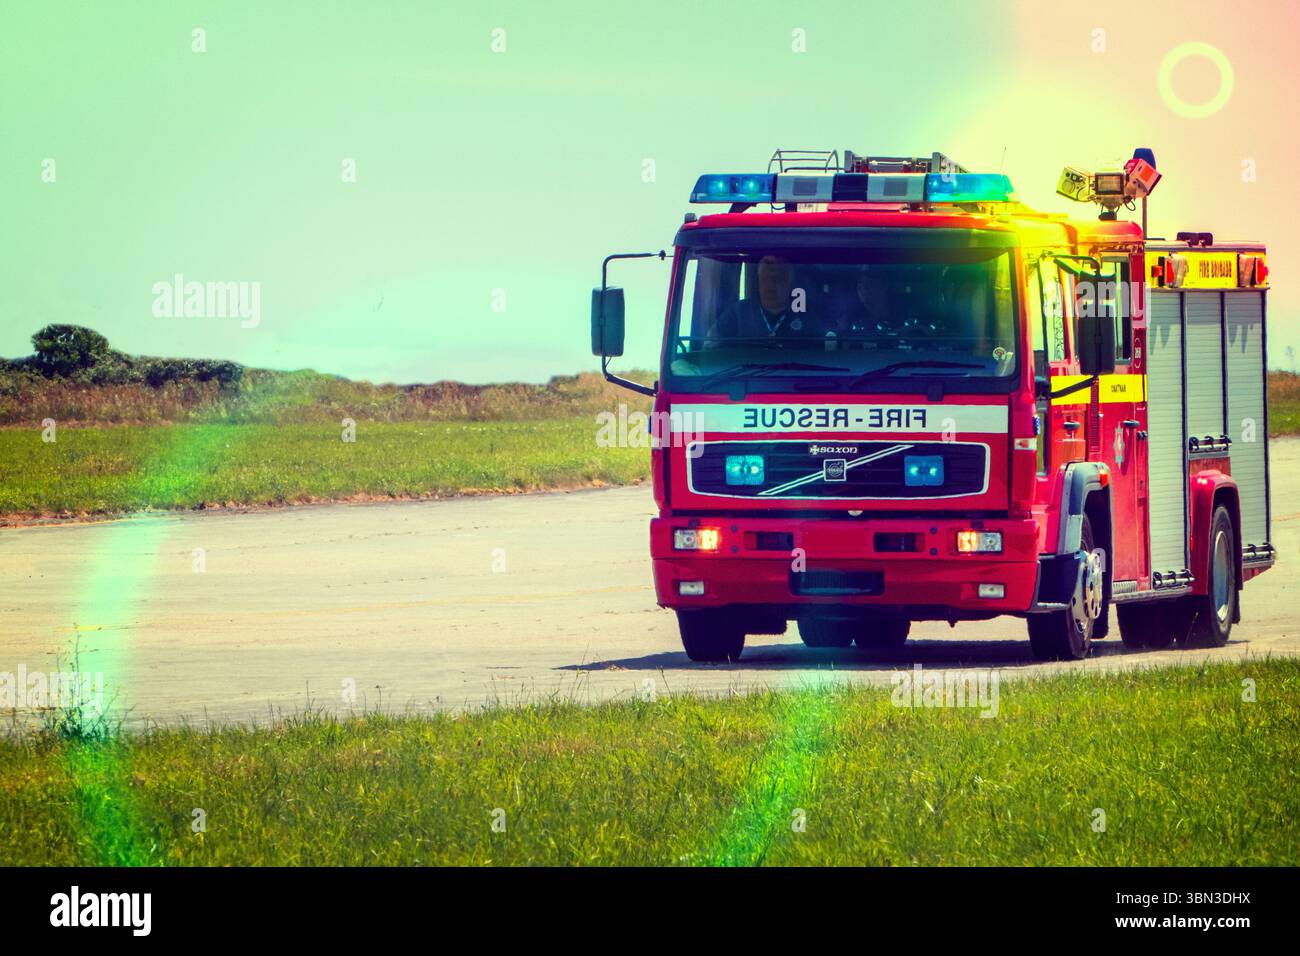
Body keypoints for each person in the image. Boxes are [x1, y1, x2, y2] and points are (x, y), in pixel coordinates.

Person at [711, 256, 819, 343]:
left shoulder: (807, 313)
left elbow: (823, 352)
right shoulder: (738, 313)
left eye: (777, 279)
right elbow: (711, 348)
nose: (771, 285)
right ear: (758, 280)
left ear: (789, 281)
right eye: (766, 278)